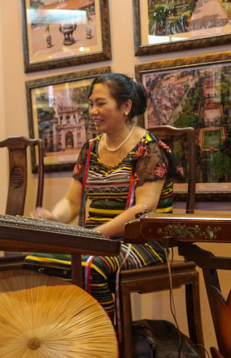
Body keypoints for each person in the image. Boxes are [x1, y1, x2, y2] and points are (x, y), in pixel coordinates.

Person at [25, 73, 183, 317]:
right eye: (91, 104)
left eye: (101, 103)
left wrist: (95, 235)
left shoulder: (149, 148)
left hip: (141, 244)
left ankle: (107, 339)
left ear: (125, 107)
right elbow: (71, 202)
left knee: (90, 267)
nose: (93, 111)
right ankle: (68, 334)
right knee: (36, 260)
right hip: (93, 240)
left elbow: (143, 208)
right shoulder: (90, 149)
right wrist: (53, 217)